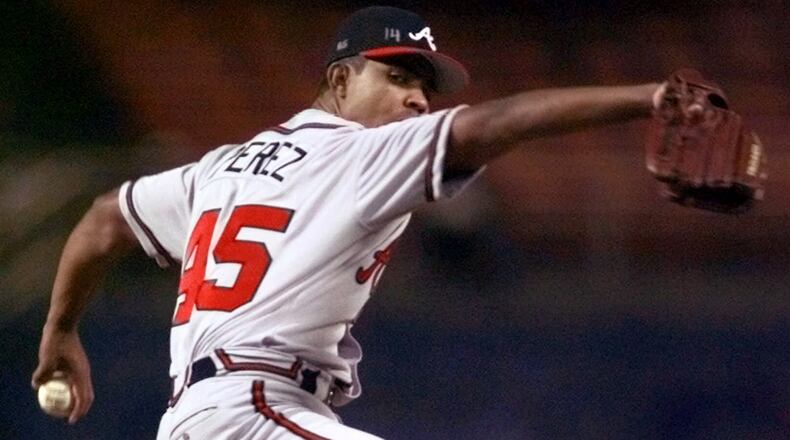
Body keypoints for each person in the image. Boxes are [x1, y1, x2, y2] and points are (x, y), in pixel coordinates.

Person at [32, 5, 663, 440]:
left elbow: (105, 219)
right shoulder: (357, 153)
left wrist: (60, 331)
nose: (417, 98)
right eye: (397, 77)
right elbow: (495, 123)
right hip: (253, 413)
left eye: (425, 88)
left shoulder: (220, 168)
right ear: (339, 79)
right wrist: (650, 98)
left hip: (203, 417)